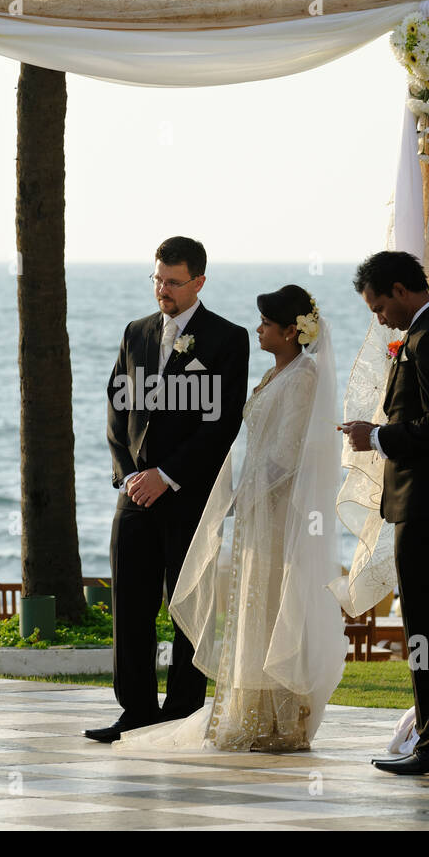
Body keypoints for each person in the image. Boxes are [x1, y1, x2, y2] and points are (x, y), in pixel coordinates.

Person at [117, 286, 346, 752]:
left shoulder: (303, 378)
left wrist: (241, 498)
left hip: (276, 514)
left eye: (266, 323)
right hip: (256, 512)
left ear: (291, 331)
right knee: (251, 608)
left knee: (272, 607)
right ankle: (253, 715)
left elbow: (284, 457)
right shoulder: (275, 373)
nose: (258, 328)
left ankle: (282, 721)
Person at [86, 237, 249, 743]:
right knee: (130, 606)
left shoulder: (228, 338)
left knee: (188, 606)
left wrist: (168, 476)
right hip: (133, 496)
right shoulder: (135, 333)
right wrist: (127, 475)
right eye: (157, 279)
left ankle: (181, 714)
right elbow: (117, 409)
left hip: (190, 499)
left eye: (173, 282)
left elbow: (220, 425)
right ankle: (133, 711)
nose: (163, 290)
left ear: (199, 281)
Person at [342, 251, 429, 776]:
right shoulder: (424, 333)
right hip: (418, 500)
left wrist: (375, 437)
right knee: (424, 621)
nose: (379, 318)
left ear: (400, 290)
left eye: (378, 306)